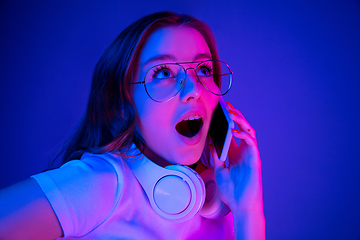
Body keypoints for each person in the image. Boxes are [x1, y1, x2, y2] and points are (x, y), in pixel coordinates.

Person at [0, 11, 265, 240]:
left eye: (204, 69)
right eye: (163, 72)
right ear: (123, 102)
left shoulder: (216, 197)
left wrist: (248, 209)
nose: (194, 89)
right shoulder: (103, 184)